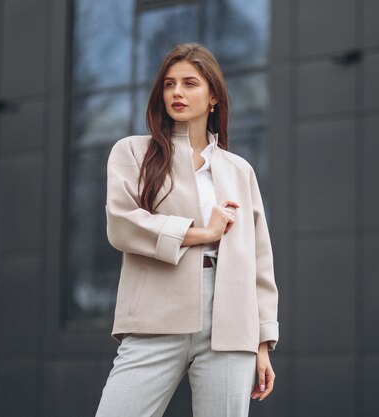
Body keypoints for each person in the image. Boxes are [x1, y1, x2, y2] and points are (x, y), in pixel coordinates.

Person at [94, 43, 279, 417]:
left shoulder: (238, 170)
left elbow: (259, 260)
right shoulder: (132, 153)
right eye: (169, 84)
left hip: (230, 324)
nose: (176, 92)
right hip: (154, 315)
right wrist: (200, 233)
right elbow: (122, 224)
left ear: (213, 96)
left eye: (190, 83)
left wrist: (262, 342)